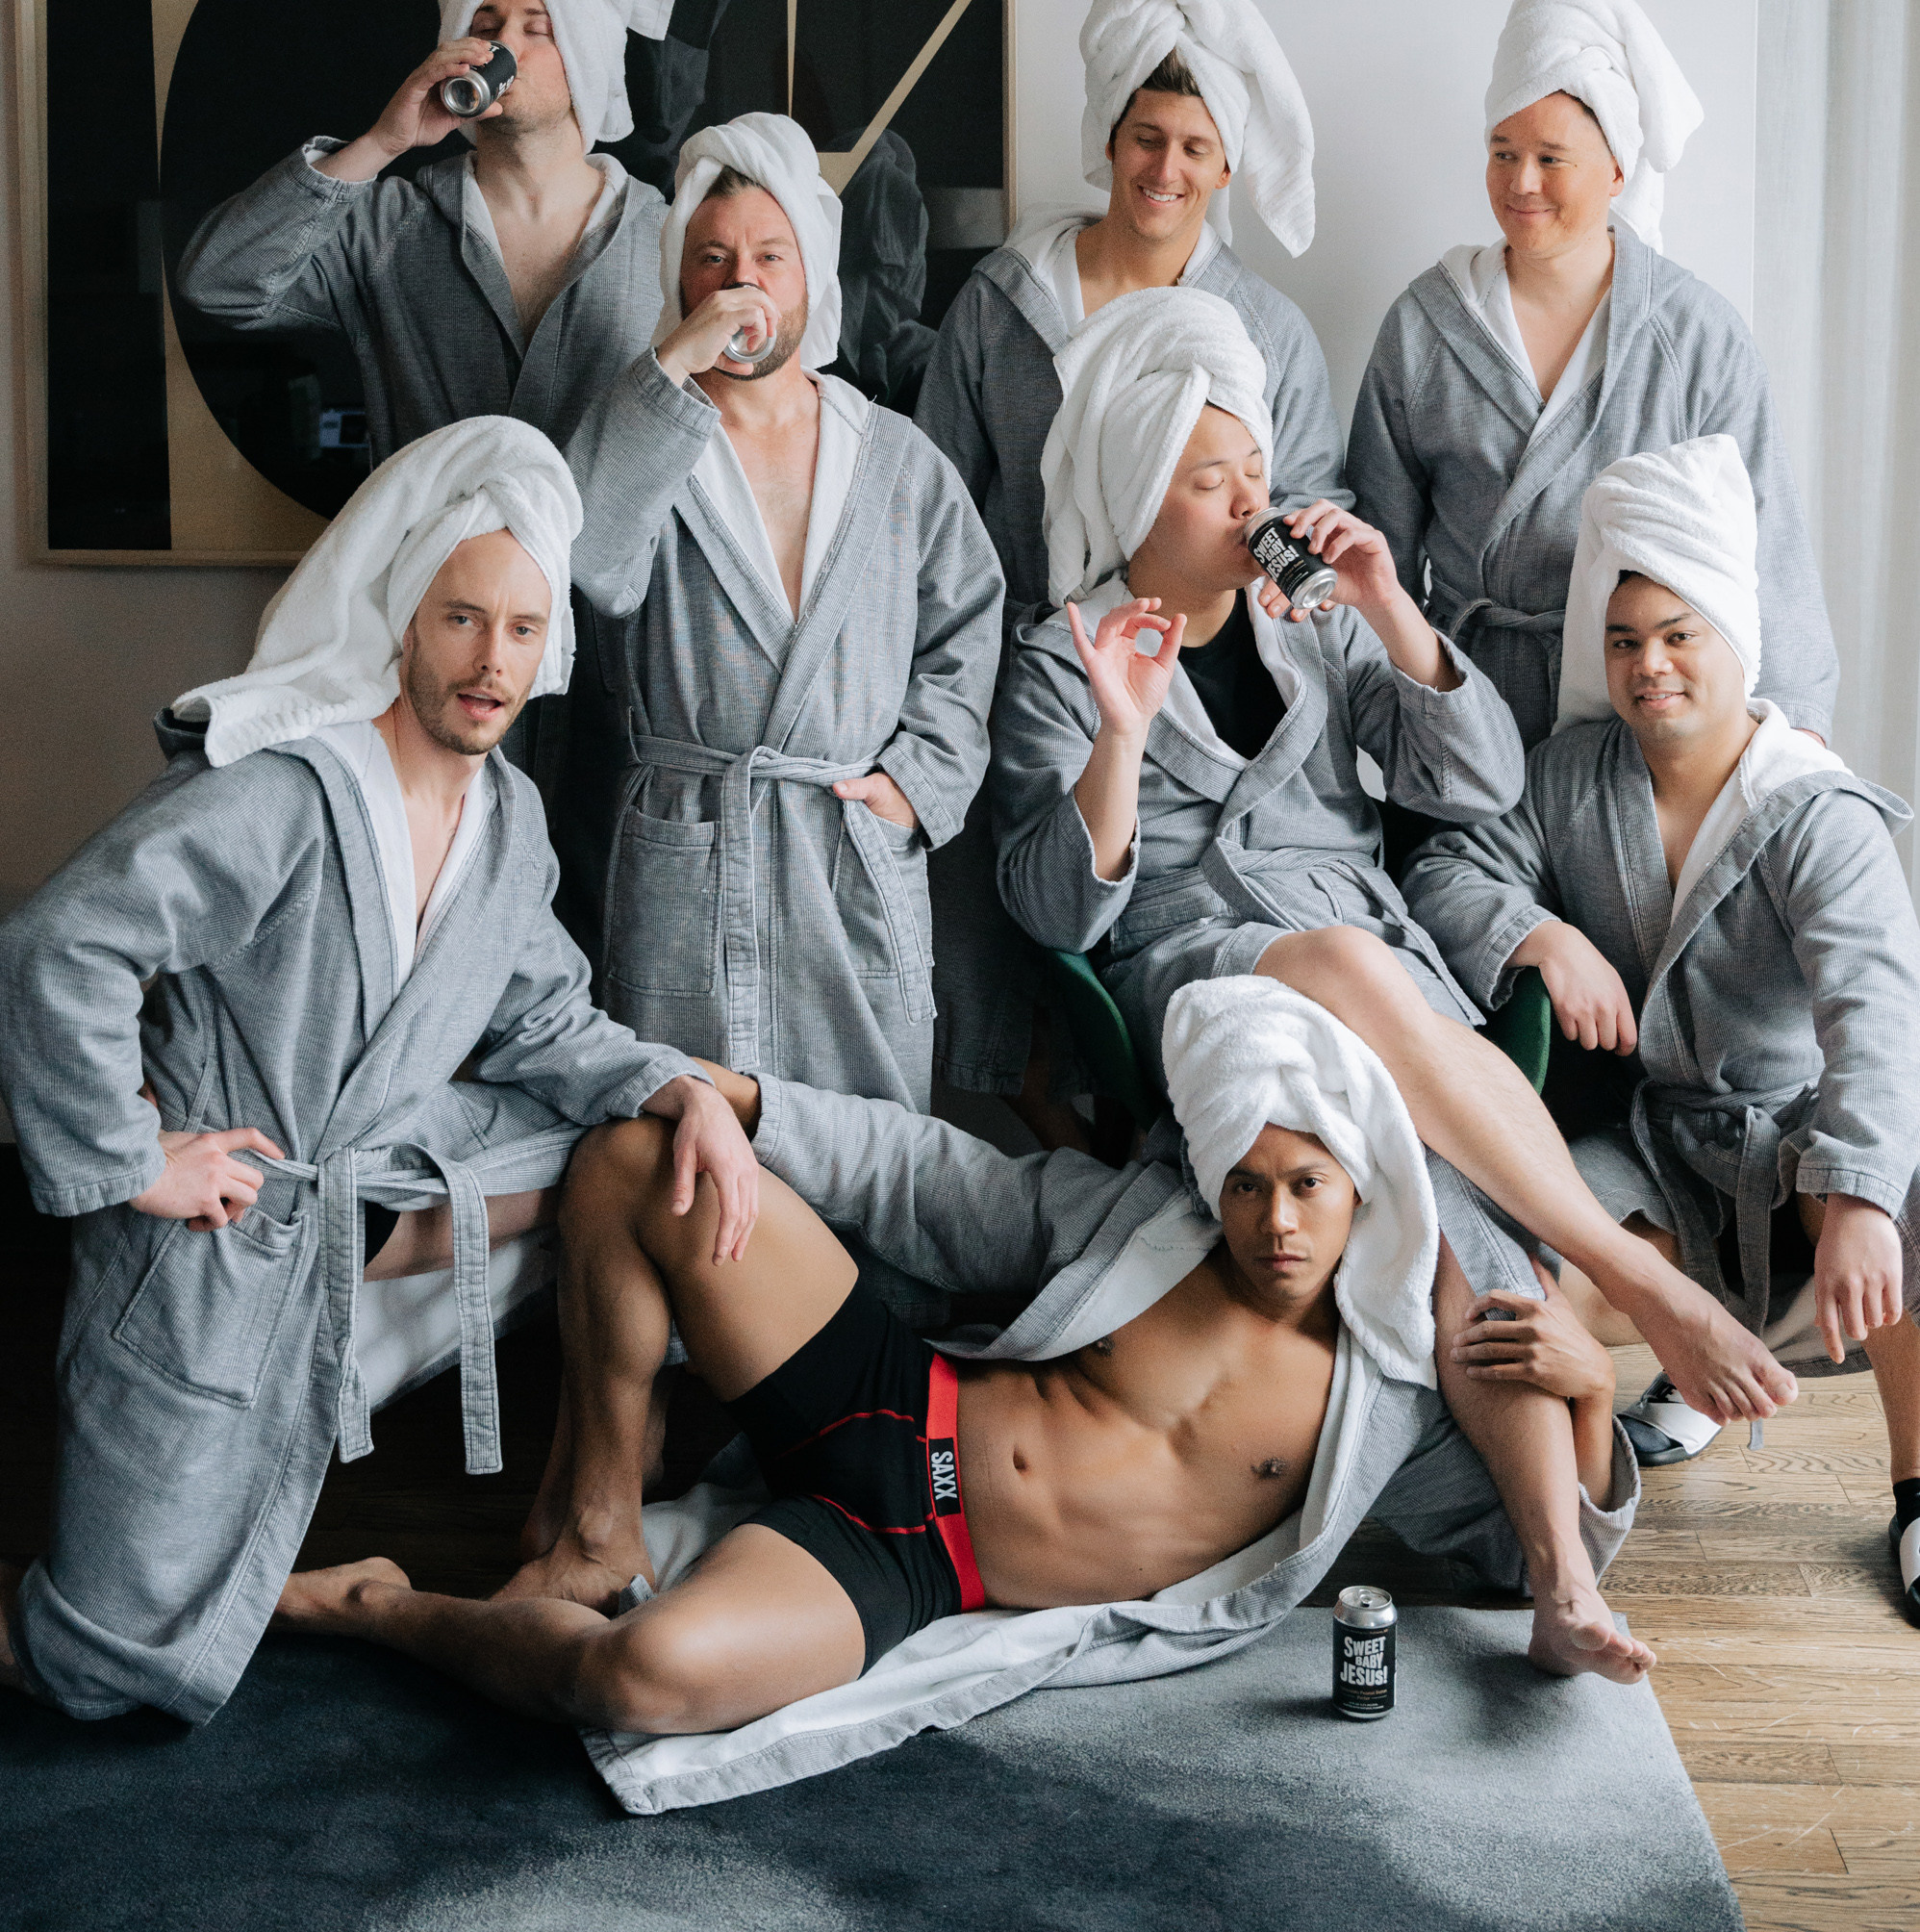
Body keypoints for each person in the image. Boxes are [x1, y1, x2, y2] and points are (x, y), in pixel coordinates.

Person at [277, 977, 1650, 1758]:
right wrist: (741, 1101)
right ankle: (589, 1518)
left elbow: (1500, 1551)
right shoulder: (1147, 1226)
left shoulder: (1386, 1401)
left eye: (1304, 1187)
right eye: (1246, 1184)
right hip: (885, 1394)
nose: (1274, 1222)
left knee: (636, 1686)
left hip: (916, 1560)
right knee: (644, 1155)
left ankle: (384, 1607)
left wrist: (1588, 1393)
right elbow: (939, 1181)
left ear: (1358, 1189)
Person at [0, 418, 757, 1723]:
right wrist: (133, 1159)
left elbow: (542, 1023)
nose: (492, 662)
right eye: (462, 619)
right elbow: (56, 947)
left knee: (616, 1152)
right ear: (403, 618)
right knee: (95, 1663)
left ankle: (583, 1510)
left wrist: (681, 1088)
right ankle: (237, 1572)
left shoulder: (507, 823)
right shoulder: (285, 795)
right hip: (216, 1251)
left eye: (523, 630)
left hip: (356, 1198)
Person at [993, 287, 1796, 1426]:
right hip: (1194, 964)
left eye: (1256, 475)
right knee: (1356, 975)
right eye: (1207, 481)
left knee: (1448, 1167)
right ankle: (1635, 1275)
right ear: (1135, 493)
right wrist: (1120, 731)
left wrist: (1386, 607)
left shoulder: (1309, 621)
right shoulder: (1059, 661)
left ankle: (1556, 1572)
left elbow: (1479, 786)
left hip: (1368, 958)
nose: (1247, 504)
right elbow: (1051, 915)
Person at [1402, 437, 1920, 1614]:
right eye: (1624, 642)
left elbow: (1875, 1013)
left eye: (1678, 636)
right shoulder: (1572, 775)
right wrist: (1540, 934)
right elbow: (1450, 869)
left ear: (1734, 636)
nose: (1649, 669)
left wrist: (1863, 1198)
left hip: (1793, 1134)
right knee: (1484, 1249)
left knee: (1913, 1185)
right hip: (1657, 1143)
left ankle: (1919, 1490)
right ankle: (1573, 1489)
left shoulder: (1812, 811)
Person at [916, 0, 1348, 1106]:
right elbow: (937, 512)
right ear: (1109, 139)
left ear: (1225, 167)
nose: (1166, 169)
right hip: (1015, 677)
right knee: (1005, 986)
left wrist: (1261, 591)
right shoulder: (1003, 309)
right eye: (1147, 137)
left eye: (1195, 148)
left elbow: (1295, 518)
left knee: (1146, 985)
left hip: (1185, 699)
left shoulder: (1266, 332)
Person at [564, 114, 1003, 1128]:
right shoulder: (648, 436)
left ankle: (878, 1298)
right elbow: (589, 563)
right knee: (679, 1141)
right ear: (678, 287)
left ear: (813, 277)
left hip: (845, 840)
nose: (739, 283)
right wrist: (665, 372)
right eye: (709, 261)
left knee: (875, 1143)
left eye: (769, 257)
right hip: (690, 835)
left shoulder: (892, 455)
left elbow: (968, 627)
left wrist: (916, 784)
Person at [1346, 0, 1837, 753]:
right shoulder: (1425, 327)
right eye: (1502, 153)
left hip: (1642, 716)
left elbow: (1764, 544)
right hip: (1465, 702)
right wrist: (1393, 720)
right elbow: (1379, 556)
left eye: (1551, 156)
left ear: (1616, 170)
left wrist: (1796, 733)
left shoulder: (1695, 336)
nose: (1521, 183)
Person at [174, 0, 688, 461]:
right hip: (433, 552)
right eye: (486, 27)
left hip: (607, 556)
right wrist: (382, 143)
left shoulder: (669, 236)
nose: (504, 49)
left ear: (589, 56)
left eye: (537, 27)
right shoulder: (388, 227)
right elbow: (219, 283)